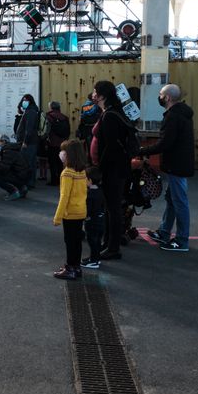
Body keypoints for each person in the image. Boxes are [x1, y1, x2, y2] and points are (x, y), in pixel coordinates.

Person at [141, 84, 195, 252]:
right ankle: (164, 232)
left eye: (161, 94)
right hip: (179, 163)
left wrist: (143, 151)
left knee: (179, 201)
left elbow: (165, 143)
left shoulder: (173, 116)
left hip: (177, 165)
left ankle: (181, 240)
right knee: (172, 199)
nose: (160, 97)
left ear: (168, 98)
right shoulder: (182, 113)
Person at [89, 80, 134, 262]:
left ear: (101, 96)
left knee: (113, 209)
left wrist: (99, 169)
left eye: (94, 92)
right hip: (115, 169)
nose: (92, 95)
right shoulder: (112, 113)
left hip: (112, 171)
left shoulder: (110, 116)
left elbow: (110, 147)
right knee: (110, 208)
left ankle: (113, 248)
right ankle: (108, 243)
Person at [52, 139, 89, 280]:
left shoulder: (67, 173)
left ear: (69, 155)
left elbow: (64, 197)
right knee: (77, 241)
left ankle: (70, 268)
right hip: (81, 211)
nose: (61, 154)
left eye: (64, 151)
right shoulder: (82, 171)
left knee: (70, 241)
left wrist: (57, 217)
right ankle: (75, 267)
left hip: (70, 213)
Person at [81, 165, 105, 269]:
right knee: (98, 240)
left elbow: (88, 210)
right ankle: (96, 258)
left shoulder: (90, 194)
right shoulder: (100, 190)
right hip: (100, 220)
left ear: (90, 180)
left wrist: (85, 216)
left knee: (92, 240)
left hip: (92, 221)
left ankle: (94, 261)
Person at [13, 93, 40, 189]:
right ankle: (29, 181)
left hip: (29, 142)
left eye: (26, 100)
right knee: (29, 162)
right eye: (23, 100)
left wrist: (25, 141)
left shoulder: (31, 112)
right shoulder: (29, 111)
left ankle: (29, 182)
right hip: (29, 141)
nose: (24, 102)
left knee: (28, 163)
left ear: (30, 101)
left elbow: (29, 129)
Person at [0, 134, 29, 200]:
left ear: (4, 141)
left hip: (20, 176)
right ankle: (22, 188)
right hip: (23, 175)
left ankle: (13, 191)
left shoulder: (8, 151)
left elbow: (4, 168)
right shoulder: (12, 148)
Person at [44, 100, 71, 186]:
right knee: (61, 162)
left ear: (51, 107)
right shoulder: (65, 117)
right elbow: (68, 131)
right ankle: (61, 180)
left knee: (52, 162)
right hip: (62, 143)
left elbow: (46, 130)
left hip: (52, 142)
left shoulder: (49, 117)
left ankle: (54, 180)